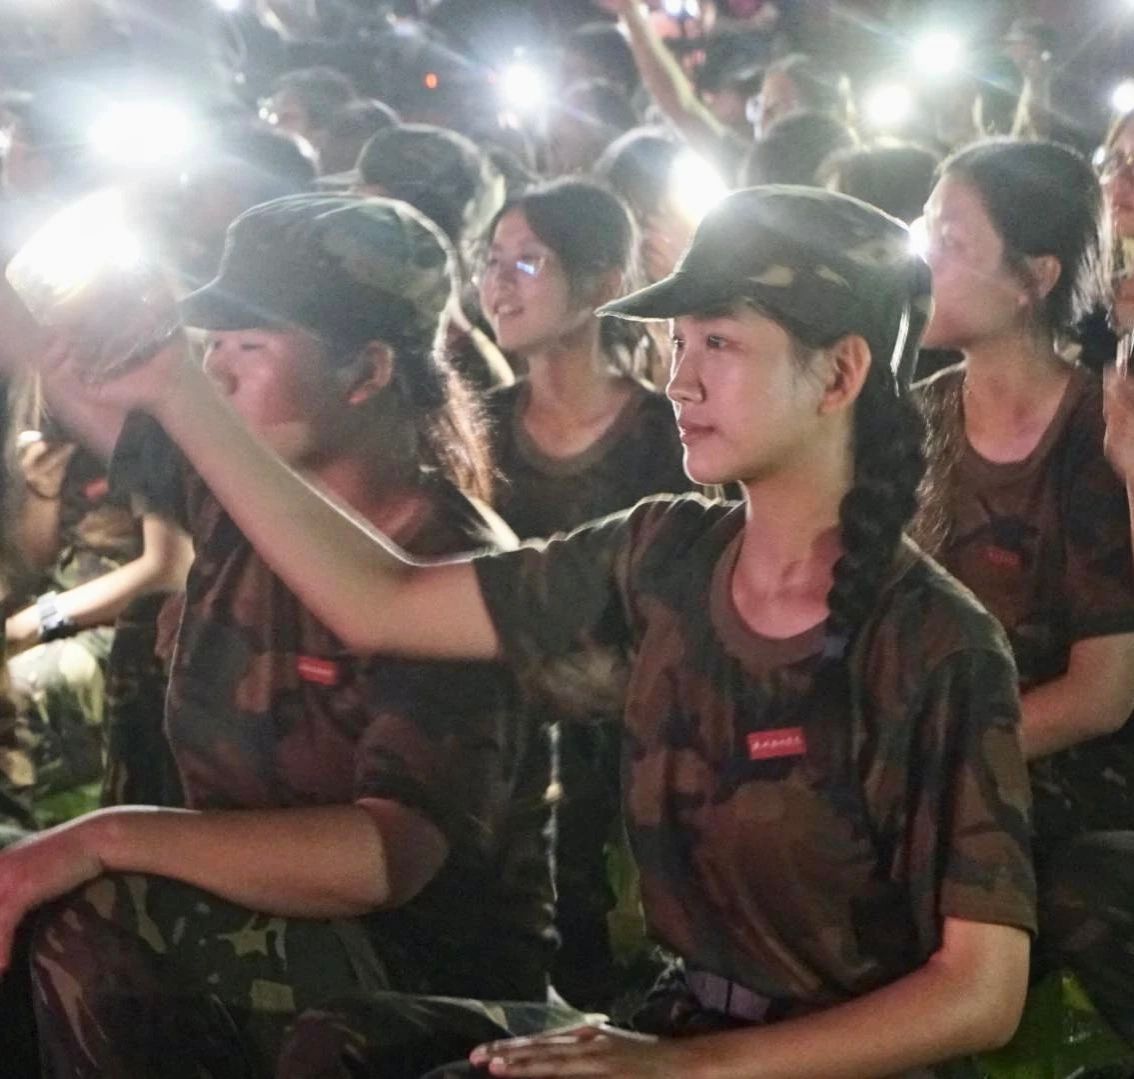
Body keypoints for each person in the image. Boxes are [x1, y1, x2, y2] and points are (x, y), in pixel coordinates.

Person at [50, 186, 1036, 1077]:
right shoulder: (663, 553)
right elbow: (382, 600)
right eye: (679, 343)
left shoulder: (934, 642)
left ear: (840, 373)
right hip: (677, 1026)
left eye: (720, 344)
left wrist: (697, 1066)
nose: (681, 380)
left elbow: (979, 992)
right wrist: (178, 388)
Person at [1, 195, 555, 1075]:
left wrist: (102, 836)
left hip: (419, 973)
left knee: (92, 917)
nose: (216, 376)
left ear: (367, 372)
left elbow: (384, 858)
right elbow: (79, 380)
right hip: (254, 923)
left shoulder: (454, 567)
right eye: (213, 345)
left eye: (250, 348)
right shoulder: (239, 502)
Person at [915, 137, 1134, 1046]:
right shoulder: (912, 418)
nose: (923, 257)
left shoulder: (1100, 433)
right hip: (924, 755)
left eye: (952, 240)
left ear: (1033, 278)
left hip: (1059, 776)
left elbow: (1100, 693)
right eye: (926, 231)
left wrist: (932, 760)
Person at [478, 177, 691, 1011]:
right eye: (491, 260)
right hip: (493, 752)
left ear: (602, 284)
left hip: (629, 759)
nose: (500, 283)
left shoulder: (668, 436)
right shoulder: (478, 429)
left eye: (529, 261)